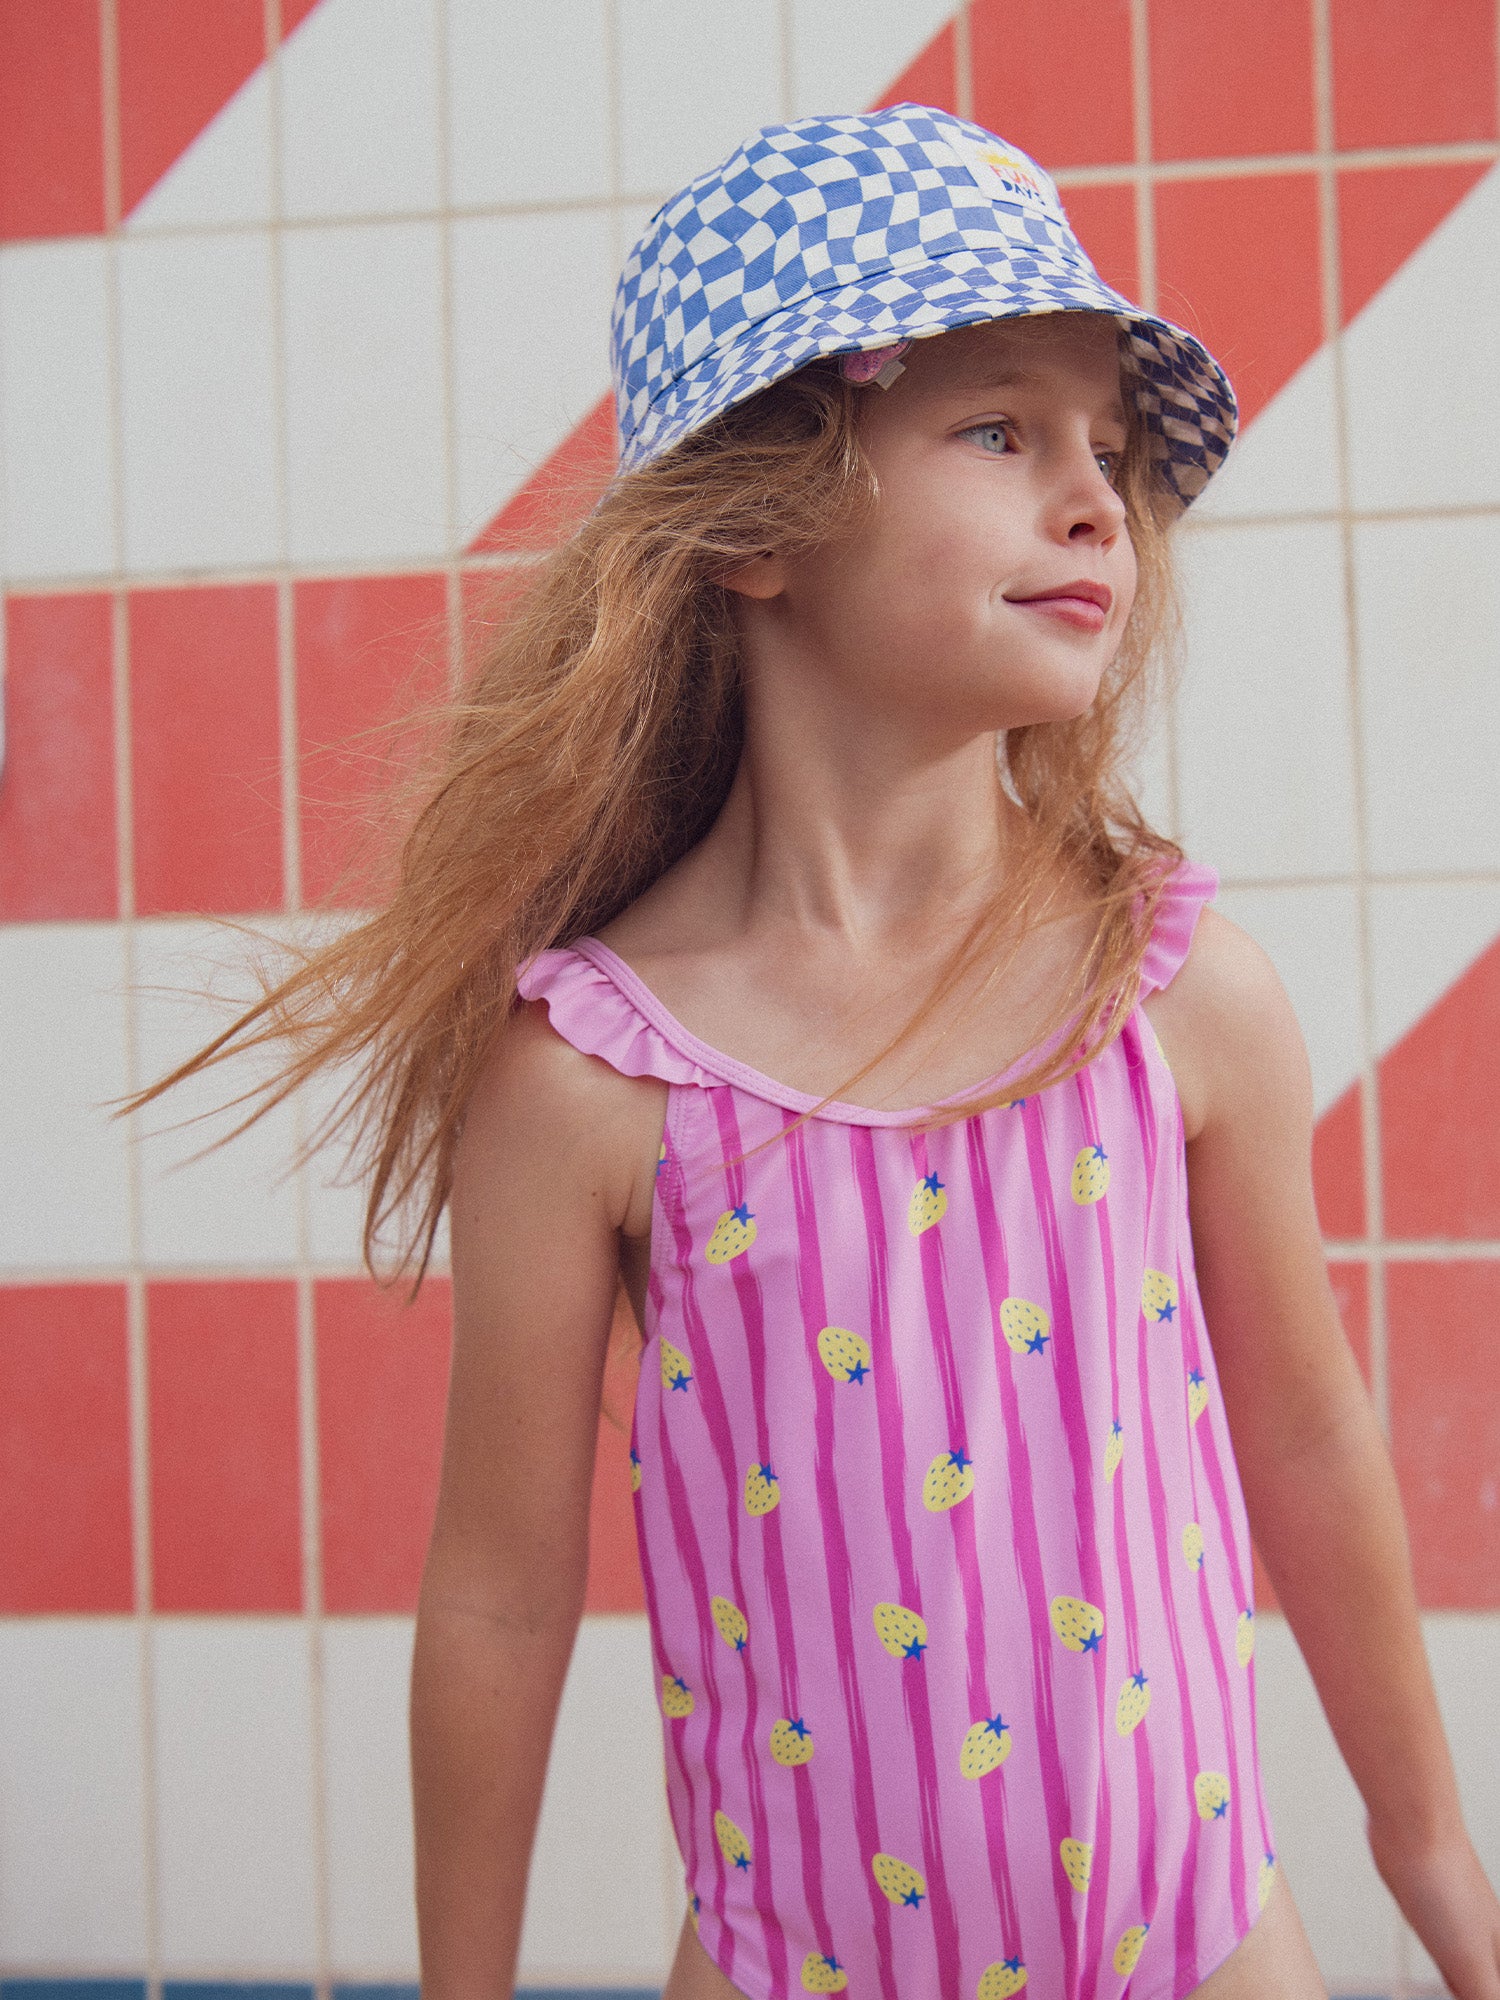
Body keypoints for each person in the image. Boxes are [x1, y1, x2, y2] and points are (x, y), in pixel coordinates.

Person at [142, 106, 1500, 2000]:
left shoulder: (1180, 998)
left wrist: (1429, 1851)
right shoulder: (600, 1082)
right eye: (1000, 429)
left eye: (1107, 447)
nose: (1097, 496)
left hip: (1202, 1955)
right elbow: (500, 1599)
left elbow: (1308, 1436)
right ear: (759, 530)